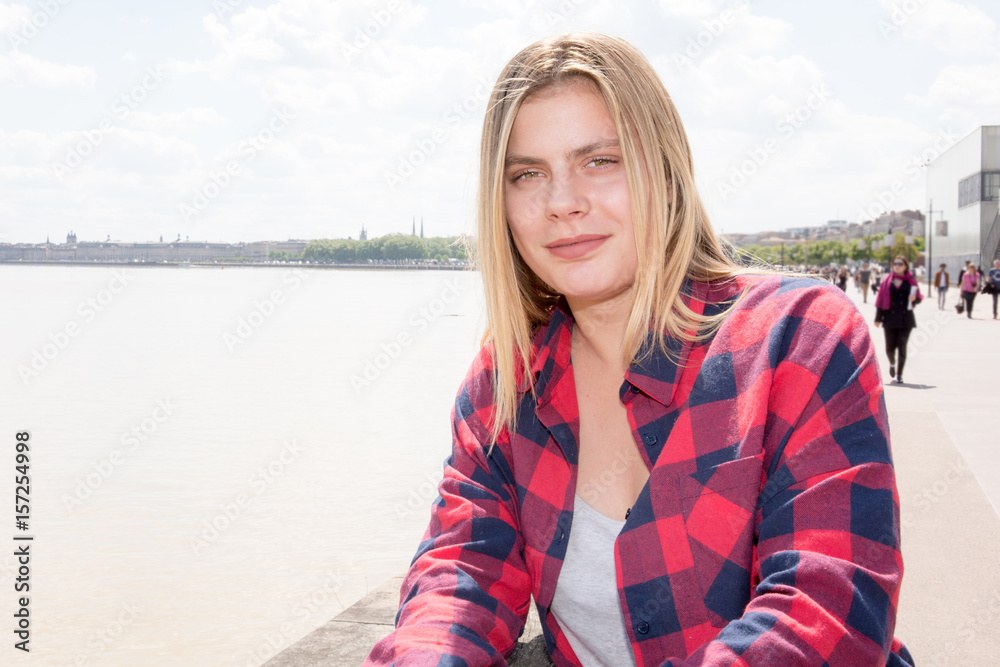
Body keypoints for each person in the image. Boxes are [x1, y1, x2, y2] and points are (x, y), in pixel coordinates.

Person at [365, 33, 913, 667]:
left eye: (600, 160)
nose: (562, 202)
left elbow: (824, 615)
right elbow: (460, 578)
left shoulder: (799, 340)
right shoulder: (503, 386)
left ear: (664, 169)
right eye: (527, 174)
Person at [874, 256, 921, 384]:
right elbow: (880, 301)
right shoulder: (887, 281)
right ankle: (892, 363)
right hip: (889, 319)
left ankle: (900, 374)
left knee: (902, 346)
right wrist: (878, 318)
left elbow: (918, 297)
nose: (897, 265)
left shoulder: (911, 281)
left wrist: (914, 299)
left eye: (900, 264)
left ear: (905, 266)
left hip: (906, 319)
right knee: (889, 348)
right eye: (895, 263)